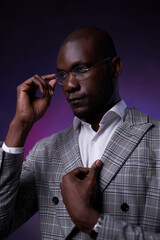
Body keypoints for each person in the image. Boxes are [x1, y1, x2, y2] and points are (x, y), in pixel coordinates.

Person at [0, 27, 160, 240]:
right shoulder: (46, 151)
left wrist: (92, 221)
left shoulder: (156, 141)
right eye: (63, 75)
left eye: (82, 69)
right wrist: (19, 126)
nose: (69, 85)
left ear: (115, 67)